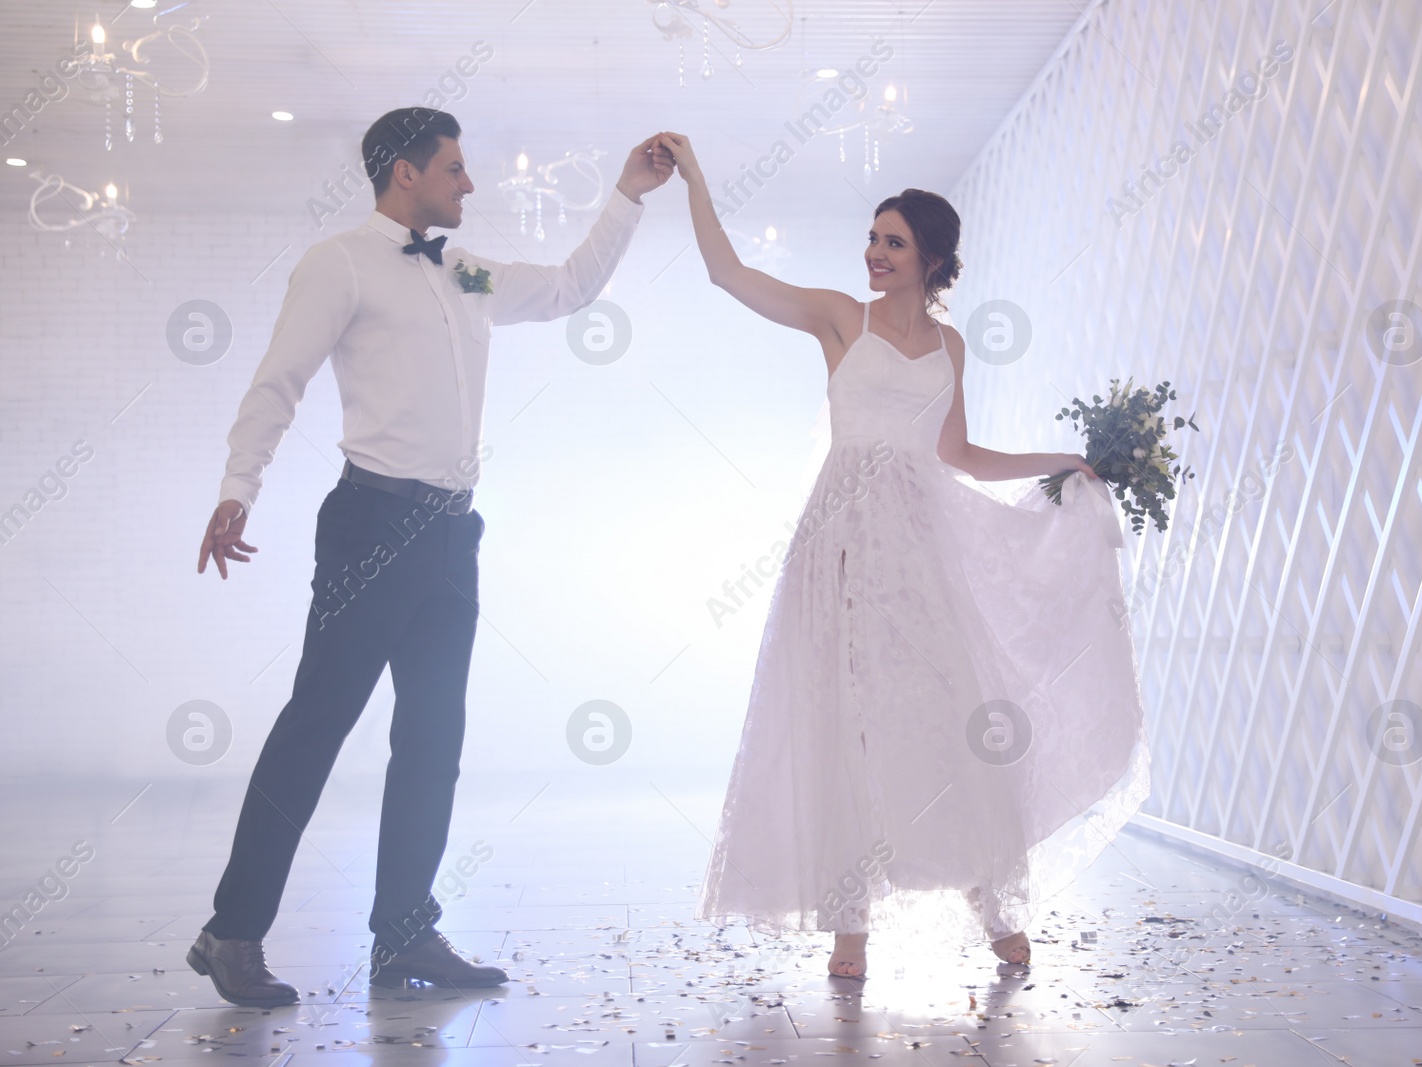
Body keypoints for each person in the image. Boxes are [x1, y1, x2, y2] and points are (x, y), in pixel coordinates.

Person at [188, 107, 674, 1007]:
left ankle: (404, 931)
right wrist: (237, 486)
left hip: (454, 534)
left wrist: (628, 196)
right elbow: (279, 378)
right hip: (371, 525)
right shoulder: (336, 263)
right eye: (454, 168)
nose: (468, 183)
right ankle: (232, 931)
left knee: (433, 738)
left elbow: (570, 287)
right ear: (405, 175)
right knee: (315, 729)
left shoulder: (465, 269)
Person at [655, 132, 1150, 978]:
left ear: (932, 258)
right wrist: (697, 174)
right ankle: (850, 926)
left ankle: (994, 906)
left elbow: (958, 452)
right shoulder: (841, 317)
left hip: (921, 544)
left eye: (892, 242)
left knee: (946, 709)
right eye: (873, 238)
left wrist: (1060, 461)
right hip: (839, 539)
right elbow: (728, 274)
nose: (874, 253)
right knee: (843, 713)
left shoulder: (953, 348)